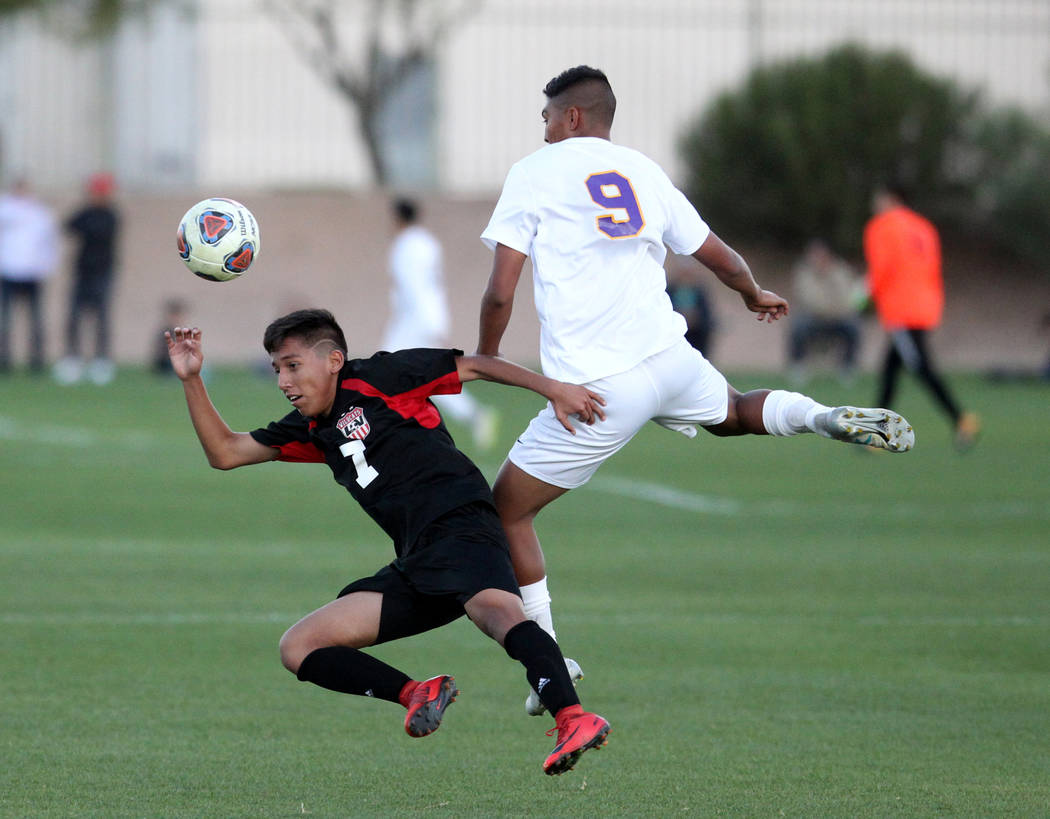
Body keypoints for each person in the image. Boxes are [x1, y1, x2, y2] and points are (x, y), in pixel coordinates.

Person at [477, 65, 915, 714]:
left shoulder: (533, 174)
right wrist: (753, 292)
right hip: (670, 358)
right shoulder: (643, 171)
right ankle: (823, 417)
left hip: (598, 386)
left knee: (506, 510)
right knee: (734, 410)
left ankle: (548, 662)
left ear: (572, 117)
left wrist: (487, 355)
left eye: (546, 116)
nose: (541, 128)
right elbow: (718, 254)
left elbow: (500, 288)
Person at [165, 308, 610, 776]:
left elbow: (477, 365)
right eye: (278, 369)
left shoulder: (383, 375)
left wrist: (555, 389)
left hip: (461, 524)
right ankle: (417, 692)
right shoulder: (312, 428)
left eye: (293, 365)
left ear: (334, 360)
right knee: (299, 647)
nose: (283, 381)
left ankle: (573, 718)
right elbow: (225, 452)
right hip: (417, 558)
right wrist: (192, 378)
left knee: (498, 615)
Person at [863, 183, 979, 450]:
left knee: (920, 369)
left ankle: (961, 419)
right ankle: (878, 433)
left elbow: (881, 270)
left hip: (901, 310)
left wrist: (864, 299)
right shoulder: (924, 227)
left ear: (891, 199)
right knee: (890, 369)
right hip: (925, 306)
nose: (875, 206)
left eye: (878, 200)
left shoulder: (881, 226)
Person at [383, 197, 498, 449]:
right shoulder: (427, 242)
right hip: (426, 318)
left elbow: (415, 288)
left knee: (387, 371)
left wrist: (430, 326)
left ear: (397, 218)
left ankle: (399, 430)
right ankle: (472, 415)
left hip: (414, 322)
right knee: (424, 377)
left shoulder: (405, 245)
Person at [54, 173, 121, 385]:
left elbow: (97, 232)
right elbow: (67, 225)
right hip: (82, 273)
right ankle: (72, 358)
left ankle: (101, 360)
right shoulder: (85, 212)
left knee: (101, 317)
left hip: (102, 273)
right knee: (74, 317)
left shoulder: (111, 215)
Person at [0, 178, 59, 373]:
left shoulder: (39, 212)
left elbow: (49, 242)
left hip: (32, 273)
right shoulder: (5, 208)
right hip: (8, 270)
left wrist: (46, 266)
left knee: (36, 319)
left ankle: (36, 359)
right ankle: (4, 359)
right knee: (6, 318)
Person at [787, 239, 863, 385]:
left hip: (839, 318)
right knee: (798, 326)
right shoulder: (804, 273)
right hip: (815, 318)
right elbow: (809, 299)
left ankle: (847, 368)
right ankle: (798, 367)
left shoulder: (840, 271)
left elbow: (848, 298)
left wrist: (831, 280)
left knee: (853, 326)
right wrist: (830, 307)